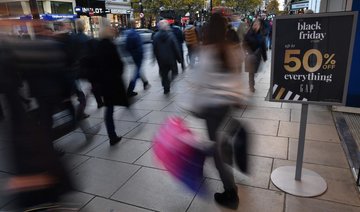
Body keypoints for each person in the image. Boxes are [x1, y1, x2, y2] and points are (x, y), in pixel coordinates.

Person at [190, 13, 246, 210]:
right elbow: (238, 78)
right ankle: (227, 169)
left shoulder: (207, 52)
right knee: (221, 144)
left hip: (212, 110)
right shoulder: (231, 49)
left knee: (217, 151)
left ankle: (230, 193)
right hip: (227, 106)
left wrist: (195, 106)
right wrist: (238, 97)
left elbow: (200, 83)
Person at [93, 20, 129, 145]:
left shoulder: (97, 46)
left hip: (103, 83)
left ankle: (112, 135)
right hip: (112, 82)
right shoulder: (110, 45)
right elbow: (119, 65)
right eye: (111, 28)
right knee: (111, 108)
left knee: (109, 108)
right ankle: (112, 136)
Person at [152, 20, 181, 94]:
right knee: (174, 72)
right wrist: (179, 58)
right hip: (171, 59)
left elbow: (154, 49)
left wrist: (154, 58)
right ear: (166, 27)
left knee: (164, 74)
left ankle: (166, 87)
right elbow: (176, 48)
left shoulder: (155, 36)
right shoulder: (171, 35)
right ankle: (168, 82)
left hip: (161, 60)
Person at [125, 20, 150, 97]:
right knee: (137, 72)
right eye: (135, 23)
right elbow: (138, 46)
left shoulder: (129, 33)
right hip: (138, 55)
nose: (136, 24)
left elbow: (127, 46)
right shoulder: (134, 34)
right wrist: (140, 53)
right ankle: (130, 89)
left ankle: (145, 82)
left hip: (134, 55)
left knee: (138, 69)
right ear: (133, 24)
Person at [244, 18, 267, 92]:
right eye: (255, 24)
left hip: (258, 56)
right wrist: (247, 51)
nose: (256, 26)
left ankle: (252, 82)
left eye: (257, 25)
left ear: (260, 26)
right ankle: (251, 86)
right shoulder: (249, 33)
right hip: (251, 55)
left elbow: (263, 46)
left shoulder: (261, 34)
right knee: (251, 72)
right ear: (253, 25)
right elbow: (244, 43)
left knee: (255, 71)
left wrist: (264, 56)